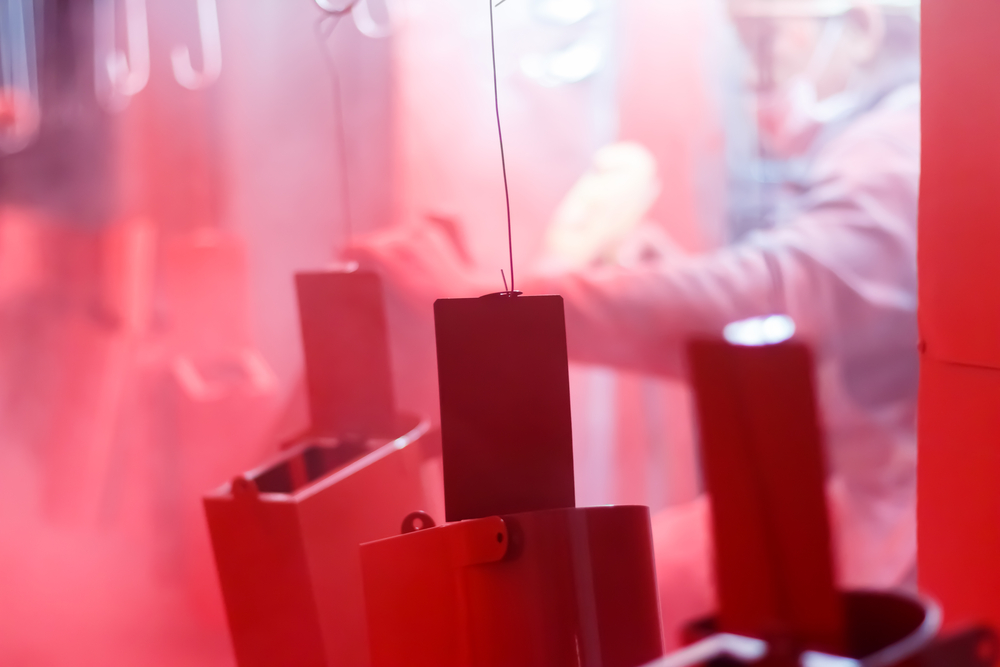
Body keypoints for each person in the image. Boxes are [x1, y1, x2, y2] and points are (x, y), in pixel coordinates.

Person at [349, 0, 921, 648]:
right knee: (646, 571)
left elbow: (775, 300)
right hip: (873, 499)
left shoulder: (899, 150)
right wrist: (659, 275)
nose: (750, 72)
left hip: (904, 525)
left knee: (614, 593)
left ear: (863, 29)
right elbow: (828, 328)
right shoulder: (882, 144)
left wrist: (486, 304)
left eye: (767, 39)